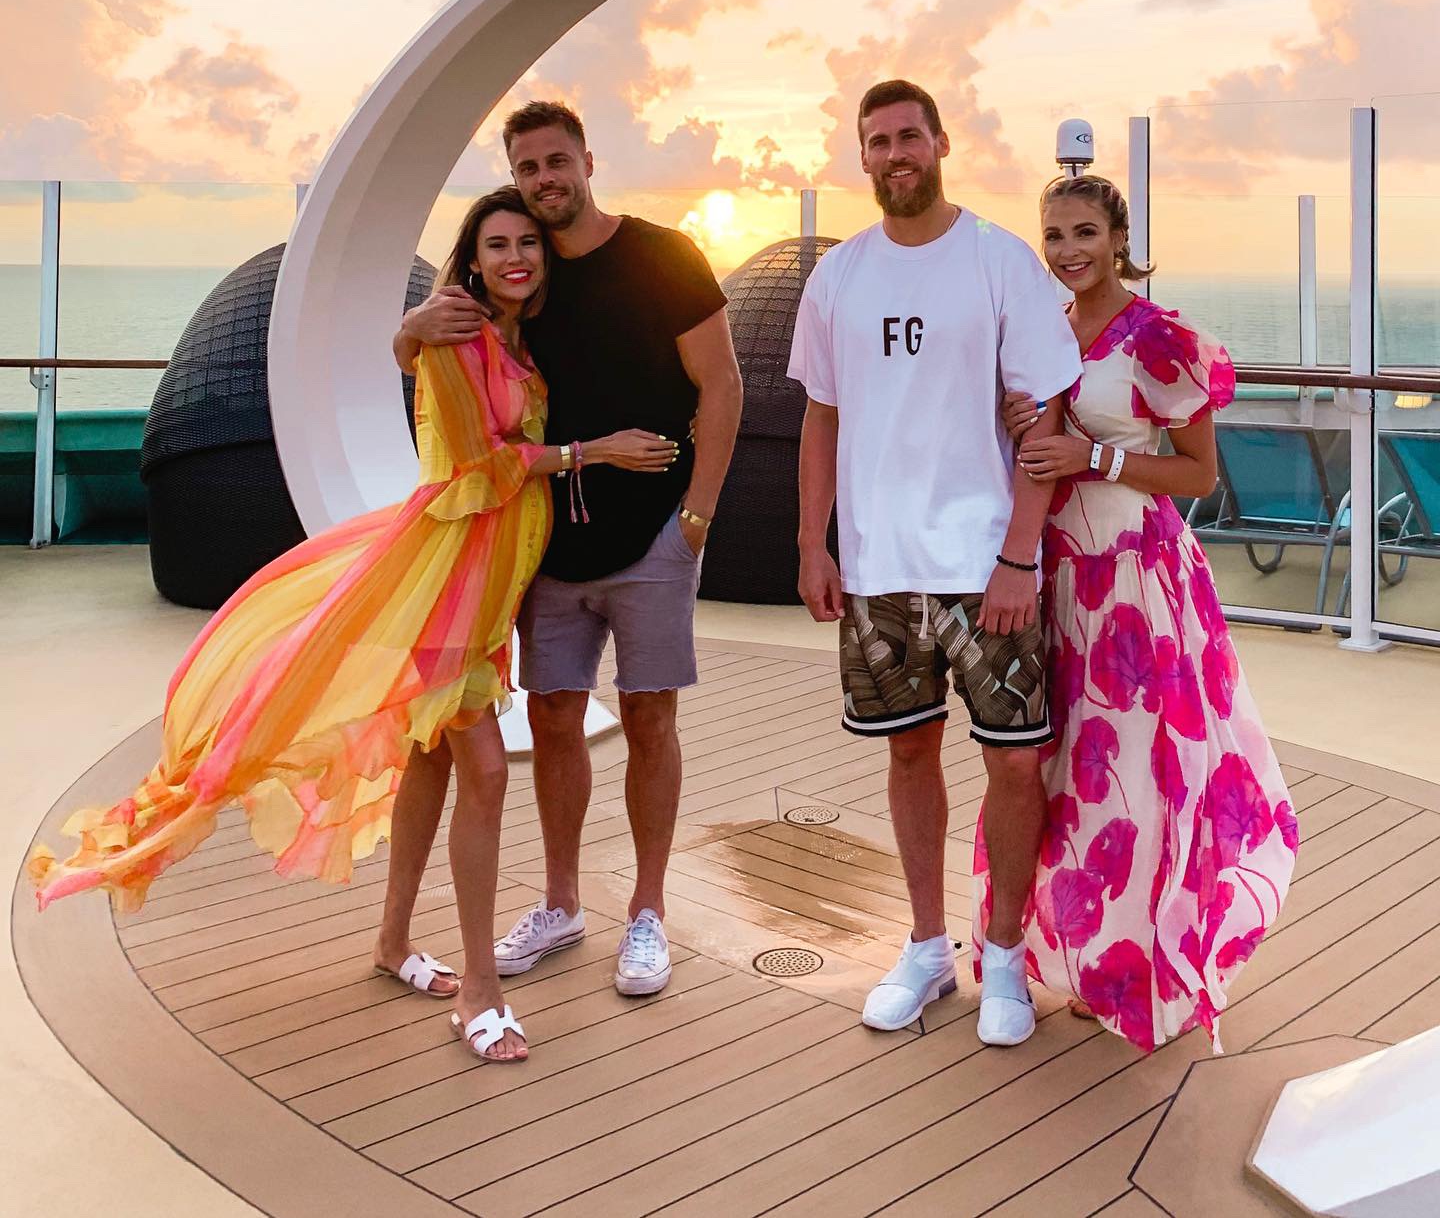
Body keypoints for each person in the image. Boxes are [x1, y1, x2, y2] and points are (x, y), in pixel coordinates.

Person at [30, 188, 676, 1064]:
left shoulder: (520, 339)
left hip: (490, 582)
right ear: (472, 260)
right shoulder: (456, 336)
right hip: (446, 577)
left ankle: (391, 940)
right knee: (485, 771)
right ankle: (480, 992)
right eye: (497, 244)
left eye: (529, 242)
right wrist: (588, 452)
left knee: (432, 757)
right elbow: (476, 467)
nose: (517, 257)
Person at [396, 101, 743, 998]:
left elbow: (722, 384)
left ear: (588, 160)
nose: (546, 179)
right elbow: (429, 359)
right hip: (546, 540)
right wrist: (409, 330)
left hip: (655, 533)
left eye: (558, 161)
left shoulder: (663, 254)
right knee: (553, 717)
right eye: (528, 167)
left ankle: (648, 911)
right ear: (515, 176)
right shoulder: (521, 281)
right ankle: (561, 902)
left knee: (649, 718)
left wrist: (697, 517)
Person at [788, 79, 1082, 1046]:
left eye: (909, 135)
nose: (895, 154)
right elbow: (821, 415)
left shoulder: (999, 261)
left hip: (984, 561)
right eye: (877, 141)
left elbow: (1047, 419)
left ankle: (1004, 954)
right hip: (879, 568)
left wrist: (1018, 555)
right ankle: (925, 948)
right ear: (862, 157)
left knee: (1014, 760)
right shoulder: (838, 276)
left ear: (942, 142)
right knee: (908, 749)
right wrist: (814, 542)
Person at [993, 173, 1297, 1052]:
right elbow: (1030, 453)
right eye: (1054, 235)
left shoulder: (1161, 339)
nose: (1067, 251)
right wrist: (1018, 425)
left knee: (1140, 771)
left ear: (1118, 238)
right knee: (1068, 771)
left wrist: (1097, 457)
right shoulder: (1044, 331)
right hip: (1057, 576)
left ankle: (1144, 964)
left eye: (1084, 232)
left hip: (1135, 584)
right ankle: (1092, 955)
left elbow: (1199, 474)